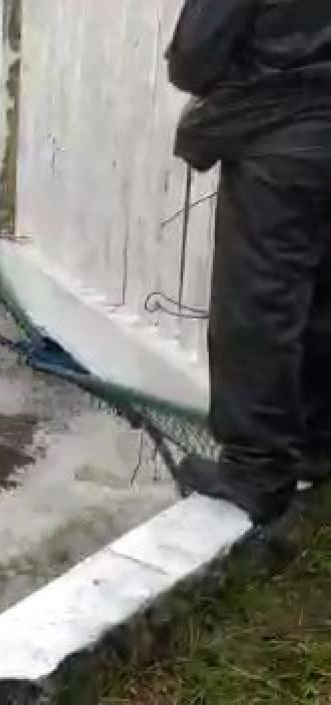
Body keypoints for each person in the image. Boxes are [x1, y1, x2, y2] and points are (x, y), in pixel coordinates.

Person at [165, 0, 331, 525]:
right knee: (322, 291)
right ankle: (315, 440)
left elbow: (193, 60)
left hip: (283, 134)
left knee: (258, 303)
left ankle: (256, 470)